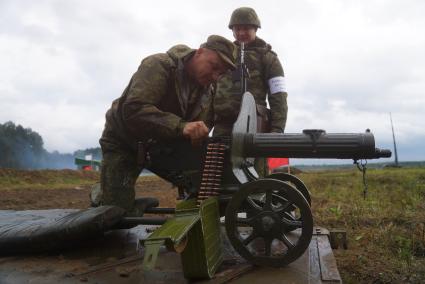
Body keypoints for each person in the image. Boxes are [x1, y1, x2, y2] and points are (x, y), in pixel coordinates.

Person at [91, 35, 237, 216]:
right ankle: (102, 193)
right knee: (116, 214)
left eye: (220, 73)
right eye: (214, 67)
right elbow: (134, 109)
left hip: (162, 147)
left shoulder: (207, 91)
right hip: (124, 141)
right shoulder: (159, 65)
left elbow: (198, 130)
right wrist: (181, 126)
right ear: (200, 52)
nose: (215, 76)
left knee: (206, 186)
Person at [213, 7, 288, 177]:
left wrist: (277, 130)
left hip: (253, 126)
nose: (241, 33)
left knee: (253, 177)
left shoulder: (268, 58)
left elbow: (278, 96)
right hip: (223, 125)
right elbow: (210, 89)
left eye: (246, 28)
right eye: (237, 29)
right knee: (219, 177)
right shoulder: (223, 55)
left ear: (255, 29)